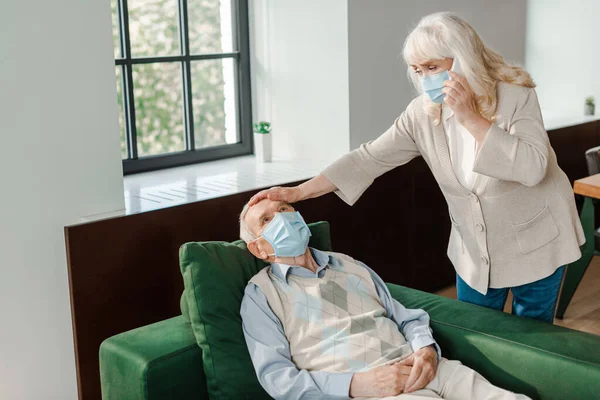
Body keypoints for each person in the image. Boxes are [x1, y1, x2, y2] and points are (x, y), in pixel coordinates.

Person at [248, 12, 584, 323]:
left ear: (462, 59)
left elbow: (533, 167)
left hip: (538, 241)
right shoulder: (422, 113)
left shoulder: (515, 95)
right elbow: (367, 157)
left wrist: (470, 118)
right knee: (475, 332)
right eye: (417, 70)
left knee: (534, 339)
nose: (424, 79)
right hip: (474, 251)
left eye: (432, 67)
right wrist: (298, 191)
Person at [239, 198, 531, 399]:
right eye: (266, 220)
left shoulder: (348, 263)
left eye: (285, 208)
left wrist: (426, 351)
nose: (282, 218)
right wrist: (357, 384)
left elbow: (405, 317)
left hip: (424, 367)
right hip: (370, 389)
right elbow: (278, 379)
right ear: (258, 250)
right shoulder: (261, 294)